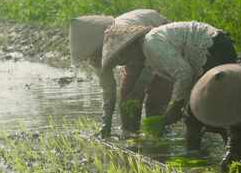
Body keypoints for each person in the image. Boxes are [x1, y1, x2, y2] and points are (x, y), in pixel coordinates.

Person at [126, 21, 238, 149]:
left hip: (213, 48)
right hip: (218, 45)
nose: (130, 61)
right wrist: (136, 92)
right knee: (204, 113)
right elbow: (151, 76)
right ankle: (226, 150)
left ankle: (196, 157)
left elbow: (184, 73)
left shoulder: (151, 44)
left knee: (193, 117)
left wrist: (175, 105)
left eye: (127, 56)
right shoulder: (149, 49)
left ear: (133, 46)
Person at [70, 9, 171, 138]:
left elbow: (152, 62)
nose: (95, 58)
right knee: (127, 96)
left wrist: (140, 87)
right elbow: (108, 90)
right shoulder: (94, 57)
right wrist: (106, 123)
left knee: (156, 95)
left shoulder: (122, 34)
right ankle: (131, 134)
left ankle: (159, 135)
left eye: (97, 52)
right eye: (92, 55)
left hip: (157, 44)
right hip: (135, 58)